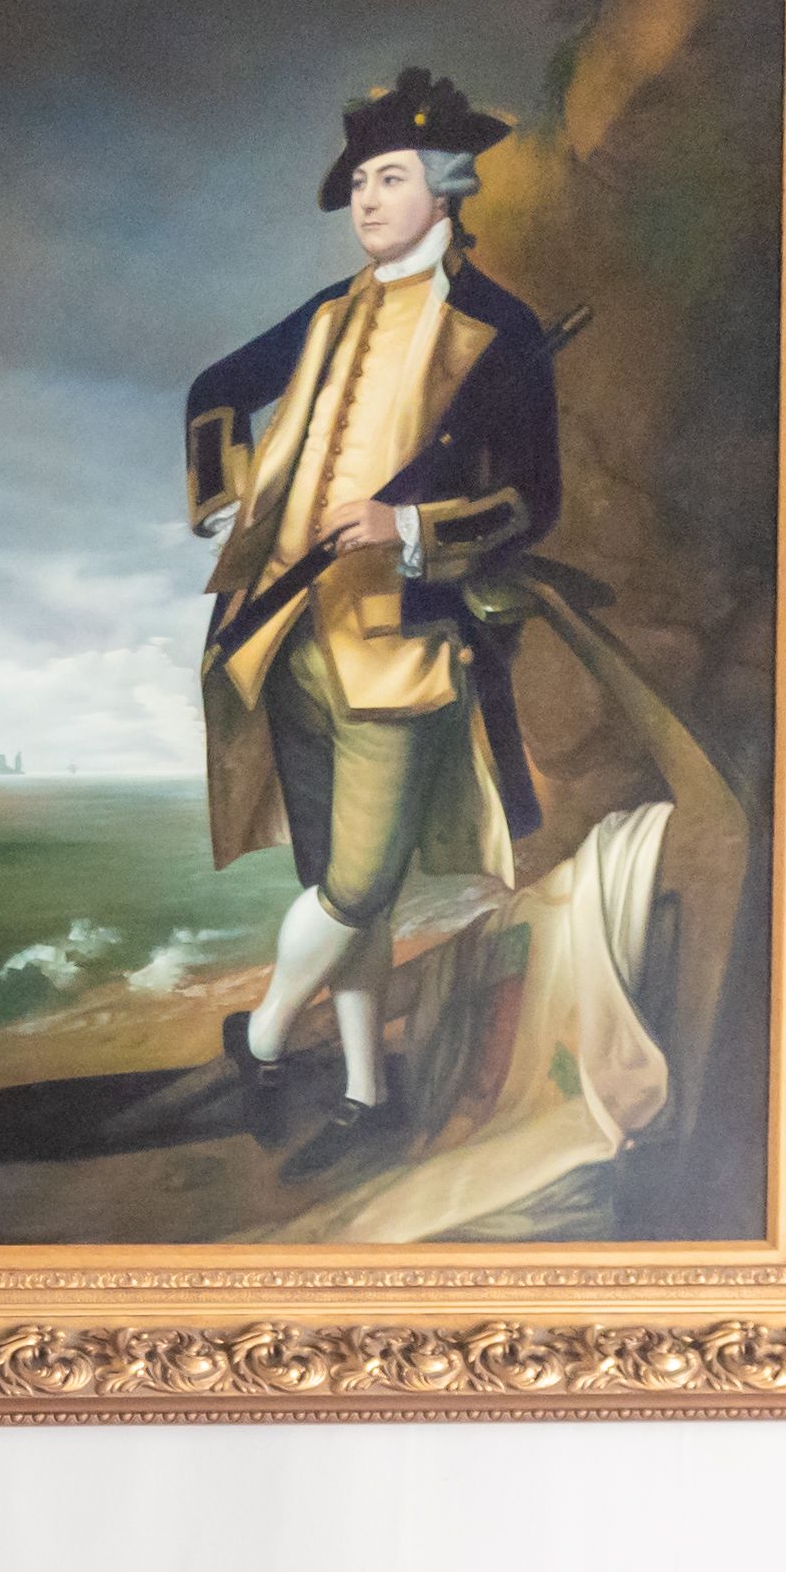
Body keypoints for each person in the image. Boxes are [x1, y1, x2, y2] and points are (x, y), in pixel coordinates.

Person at [184, 66, 565, 1186]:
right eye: (357, 179)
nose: (364, 197)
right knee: (353, 887)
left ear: (443, 192)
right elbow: (216, 386)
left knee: (352, 884)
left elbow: (531, 503)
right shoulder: (325, 315)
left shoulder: (500, 330)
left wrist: (405, 526)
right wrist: (241, 496)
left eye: (388, 176)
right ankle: (363, 1093)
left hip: (403, 652)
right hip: (290, 639)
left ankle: (252, 1041)